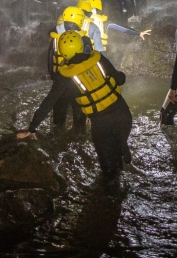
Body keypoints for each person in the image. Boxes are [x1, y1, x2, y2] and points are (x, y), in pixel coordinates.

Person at [18, 30, 133, 189]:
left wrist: (32, 128)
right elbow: (120, 80)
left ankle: (111, 200)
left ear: (63, 53)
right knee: (117, 154)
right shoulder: (98, 58)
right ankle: (122, 156)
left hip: (101, 124)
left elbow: (49, 102)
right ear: (80, 45)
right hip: (123, 115)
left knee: (109, 173)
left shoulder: (65, 76)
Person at [47, 6, 89, 132]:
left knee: (58, 123)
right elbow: (89, 62)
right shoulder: (85, 40)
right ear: (81, 20)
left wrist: (54, 77)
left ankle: (56, 143)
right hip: (79, 84)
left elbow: (50, 62)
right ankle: (79, 141)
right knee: (80, 122)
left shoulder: (55, 39)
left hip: (59, 82)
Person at [78, 0, 147, 53]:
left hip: (79, 54)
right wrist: (138, 33)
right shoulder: (104, 22)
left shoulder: (76, 21)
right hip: (99, 55)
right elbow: (123, 29)